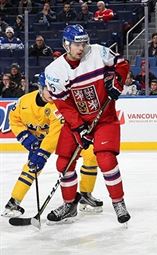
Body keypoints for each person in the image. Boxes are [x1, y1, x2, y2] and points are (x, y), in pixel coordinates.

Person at [44, 24, 130, 224]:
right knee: (63, 163)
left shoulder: (98, 52)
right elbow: (63, 104)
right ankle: (69, 205)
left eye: (83, 43)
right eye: (76, 44)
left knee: (106, 159)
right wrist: (79, 127)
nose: (81, 48)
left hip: (104, 118)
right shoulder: (54, 70)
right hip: (77, 120)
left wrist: (118, 81)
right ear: (66, 44)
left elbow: (122, 64)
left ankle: (118, 202)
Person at [1, 73, 103, 217]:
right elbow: (14, 119)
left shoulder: (57, 106)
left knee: (91, 155)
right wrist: (26, 138)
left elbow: (54, 135)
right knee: (32, 166)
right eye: (49, 89)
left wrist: (42, 153)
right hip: (39, 141)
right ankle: (13, 202)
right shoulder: (24, 102)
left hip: (65, 138)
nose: (53, 93)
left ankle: (86, 195)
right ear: (40, 88)